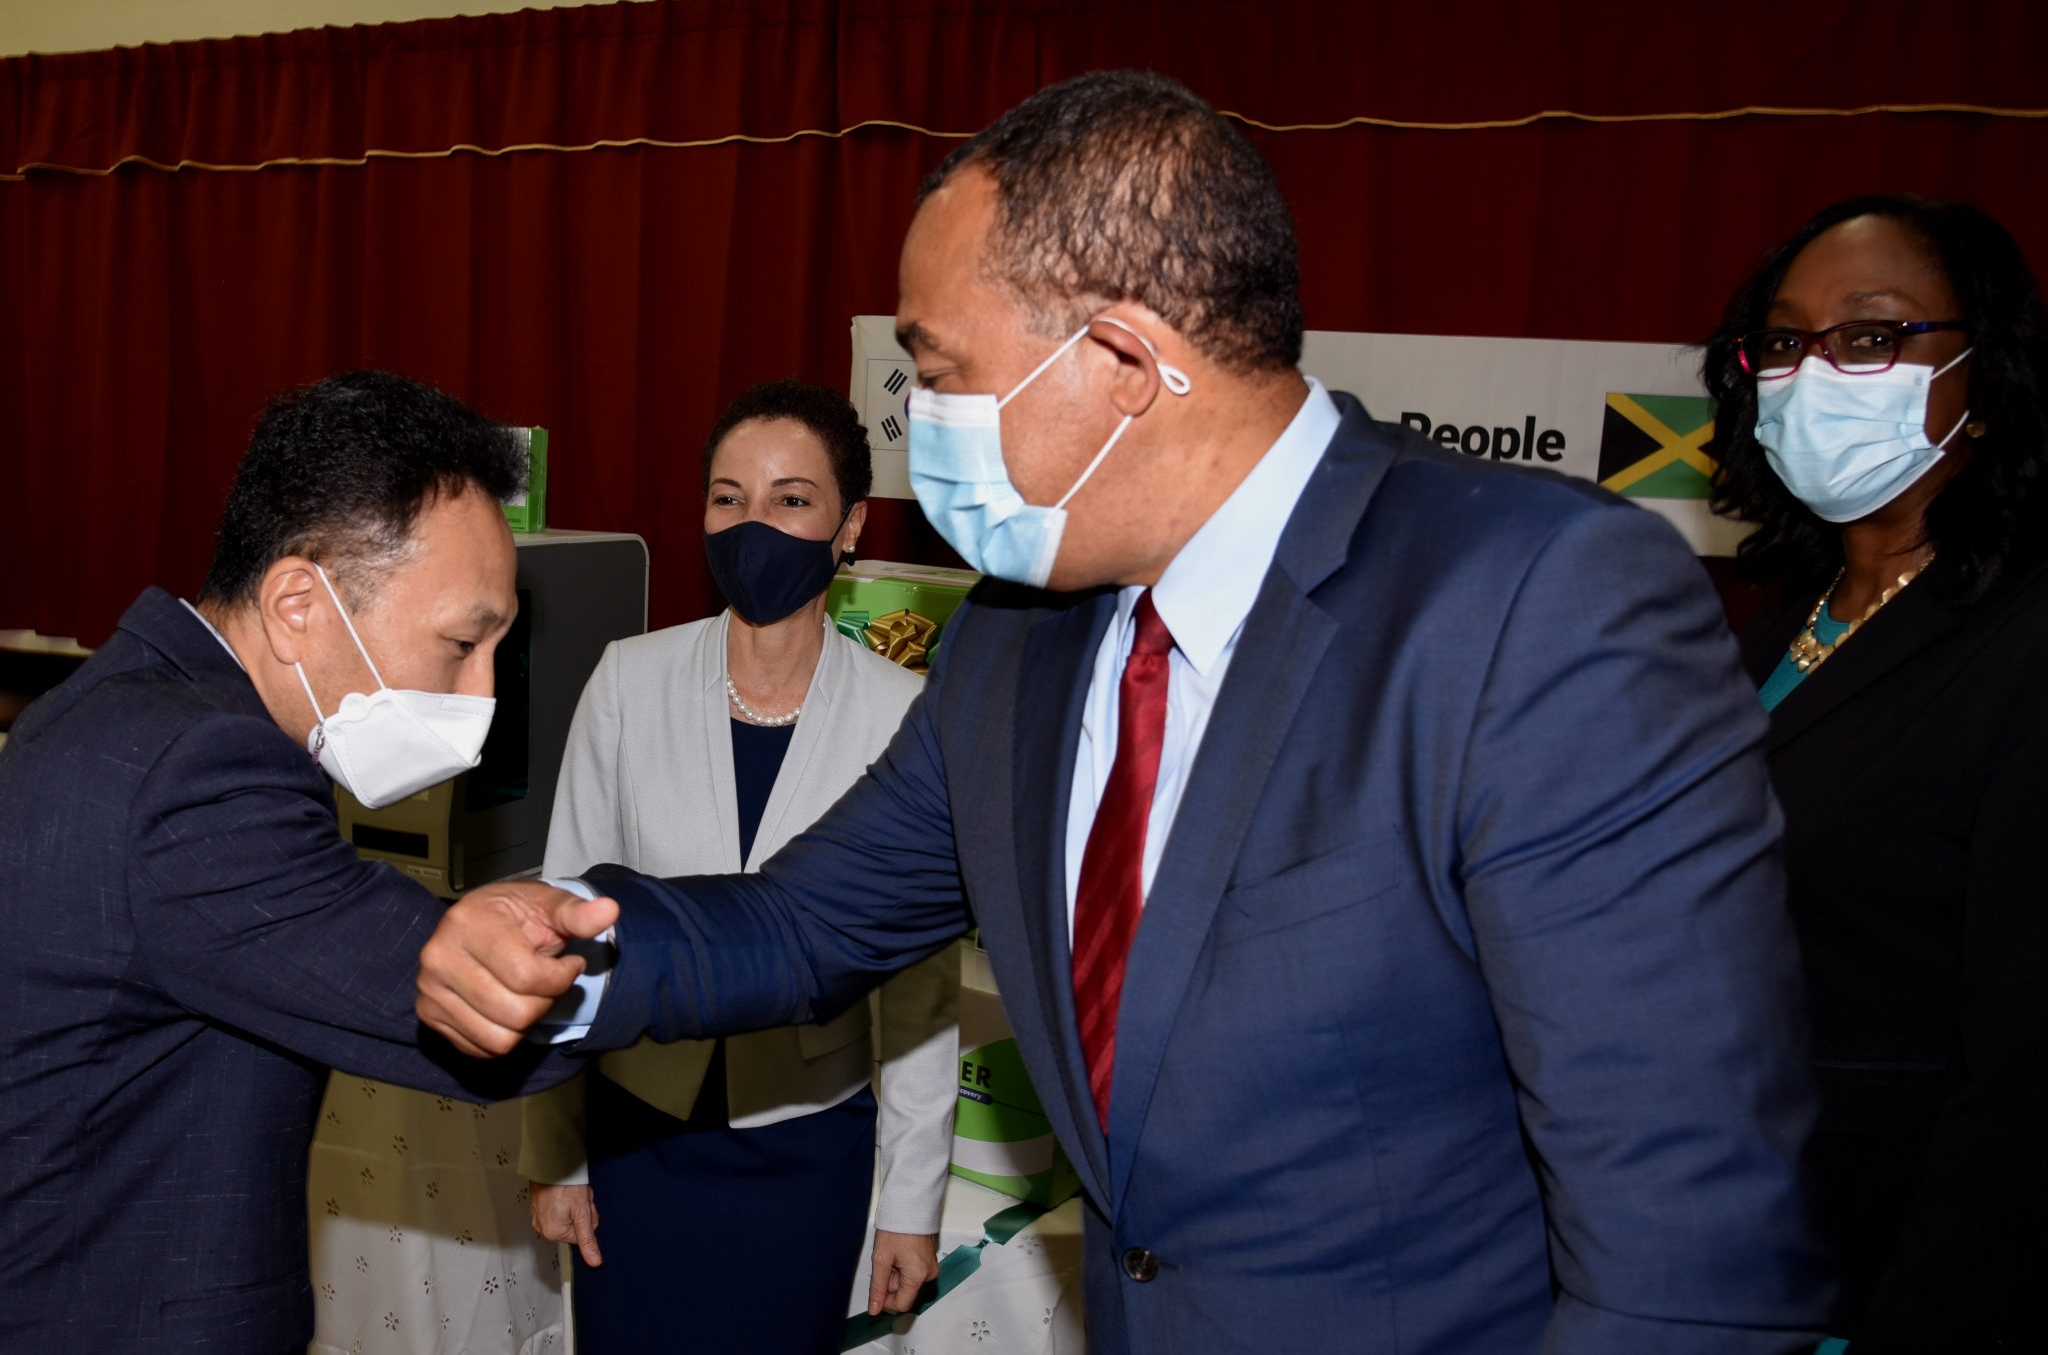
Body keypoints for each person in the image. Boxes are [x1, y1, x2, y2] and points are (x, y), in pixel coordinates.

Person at [419, 70, 1833, 1353]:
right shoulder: (1017, 645)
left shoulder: (1533, 603)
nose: (919, 421)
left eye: (942, 371)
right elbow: (804, 923)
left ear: (1118, 360)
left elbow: (1683, 1253)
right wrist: (553, 948)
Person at [0, 371, 609, 1354]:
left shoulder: (114, 706)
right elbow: (472, 1004)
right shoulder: (199, 770)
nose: (482, 693)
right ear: (296, 602)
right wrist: (810, 922)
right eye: (462, 642)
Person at [518, 379, 957, 1351]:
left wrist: (912, 1199)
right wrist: (555, 1155)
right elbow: (561, 932)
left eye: (790, 499)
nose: (753, 524)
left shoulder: (906, 716)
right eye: (728, 497)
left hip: (807, 1151)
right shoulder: (626, 683)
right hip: (639, 1141)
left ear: (849, 526)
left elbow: (919, 991)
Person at [1703, 194, 2048, 1351]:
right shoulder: (1771, 623)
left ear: (1986, 378)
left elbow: (2022, 1080)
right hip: (1725, 1248)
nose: (1813, 375)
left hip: (1899, 1272)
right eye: (1785, 343)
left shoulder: (2019, 642)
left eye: (1868, 336)